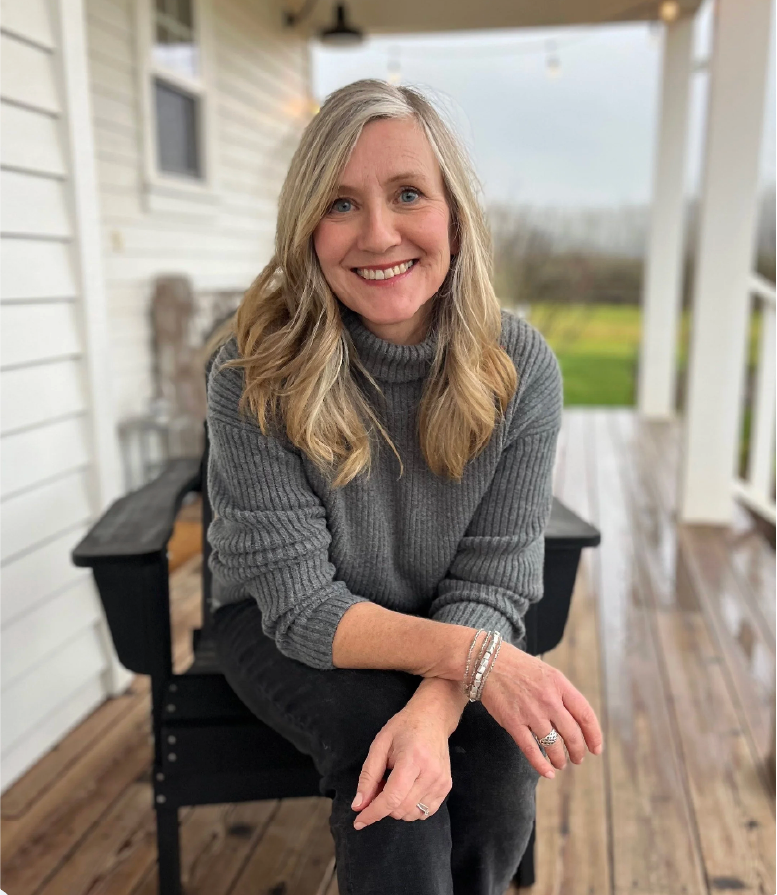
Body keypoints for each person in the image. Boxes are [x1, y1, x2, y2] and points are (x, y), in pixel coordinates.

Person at [205, 78, 603, 895]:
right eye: (340, 203)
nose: (378, 233)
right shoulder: (252, 371)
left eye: (408, 194)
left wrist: (438, 702)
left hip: (437, 616)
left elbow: (491, 579)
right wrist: (482, 660)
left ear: (453, 214)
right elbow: (299, 602)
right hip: (279, 622)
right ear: (306, 227)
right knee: (377, 752)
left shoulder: (519, 368)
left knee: (491, 755)